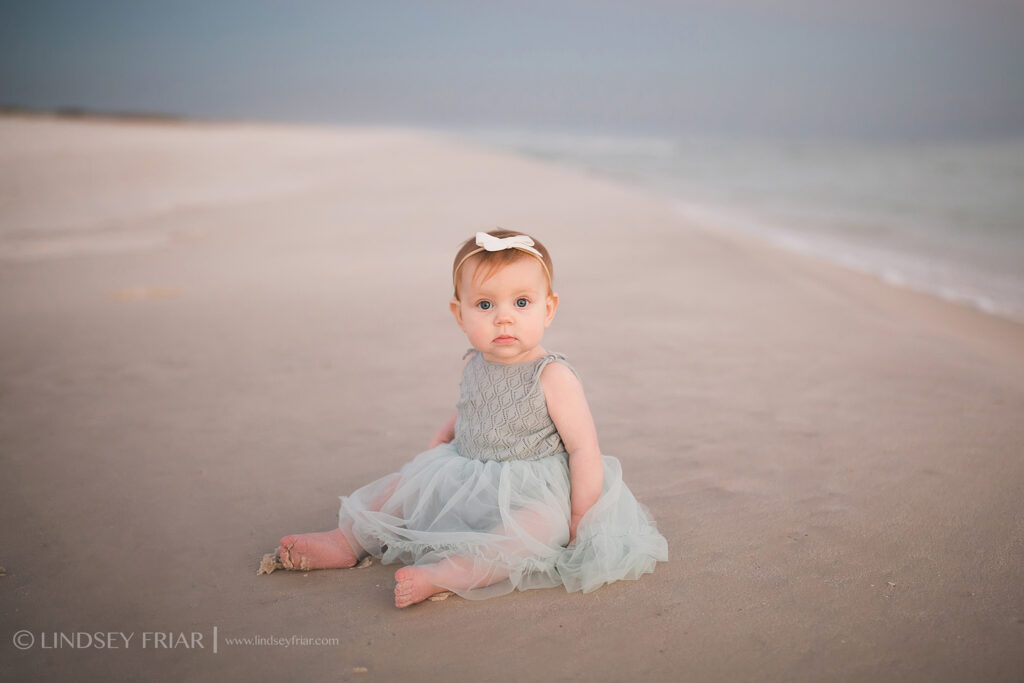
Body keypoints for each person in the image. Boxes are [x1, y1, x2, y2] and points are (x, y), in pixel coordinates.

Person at [274, 229, 668, 607]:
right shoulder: (473, 362)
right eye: (484, 305)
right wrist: (442, 443)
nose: (503, 318)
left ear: (548, 309)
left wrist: (580, 516)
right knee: (399, 488)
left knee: (531, 531)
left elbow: (584, 449)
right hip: (468, 471)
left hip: (534, 488)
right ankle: (346, 541)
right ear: (459, 314)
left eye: (521, 302)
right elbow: (472, 408)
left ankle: (449, 573)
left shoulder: (552, 376)